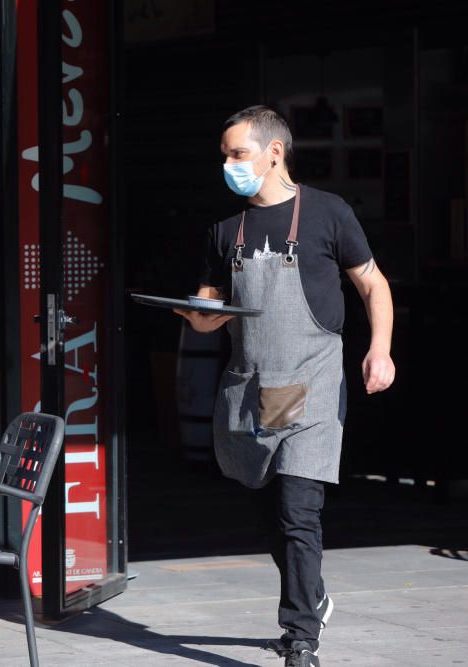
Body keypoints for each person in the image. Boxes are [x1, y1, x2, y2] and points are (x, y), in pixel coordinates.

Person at [175, 105, 395, 667]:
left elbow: (372, 284)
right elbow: (205, 307)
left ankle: (300, 638)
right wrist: (199, 317)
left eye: (238, 153)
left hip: (314, 384)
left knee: (300, 510)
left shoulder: (328, 213)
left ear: (274, 152)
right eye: (225, 155)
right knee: (270, 511)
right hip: (250, 389)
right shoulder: (225, 232)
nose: (228, 164)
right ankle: (313, 596)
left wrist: (379, 350)